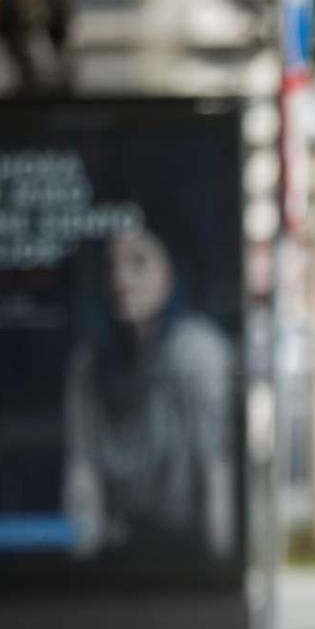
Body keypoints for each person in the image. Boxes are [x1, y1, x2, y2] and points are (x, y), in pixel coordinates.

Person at [64, 221, 236, 563]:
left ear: (172, 272)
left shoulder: (198, 354)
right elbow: (81, 478)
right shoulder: (89, 367)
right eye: (110, 266)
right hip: (114, 561)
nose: (120, 281)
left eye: (139, 262)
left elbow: (217, 474)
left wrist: (219, 575)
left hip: (186, 560)